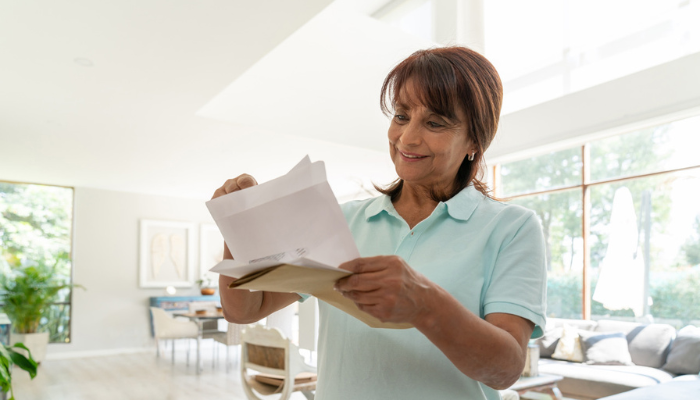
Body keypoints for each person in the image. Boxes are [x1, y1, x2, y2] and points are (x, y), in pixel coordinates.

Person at [213, 46, 547, 400]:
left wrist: (425, 303)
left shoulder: (512, 228)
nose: (407, 138)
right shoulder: (343, 219)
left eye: (434, 123)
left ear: (475, 142)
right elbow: (245, 309)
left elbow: (506, 368)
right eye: (402, 116)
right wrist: (237, 227)